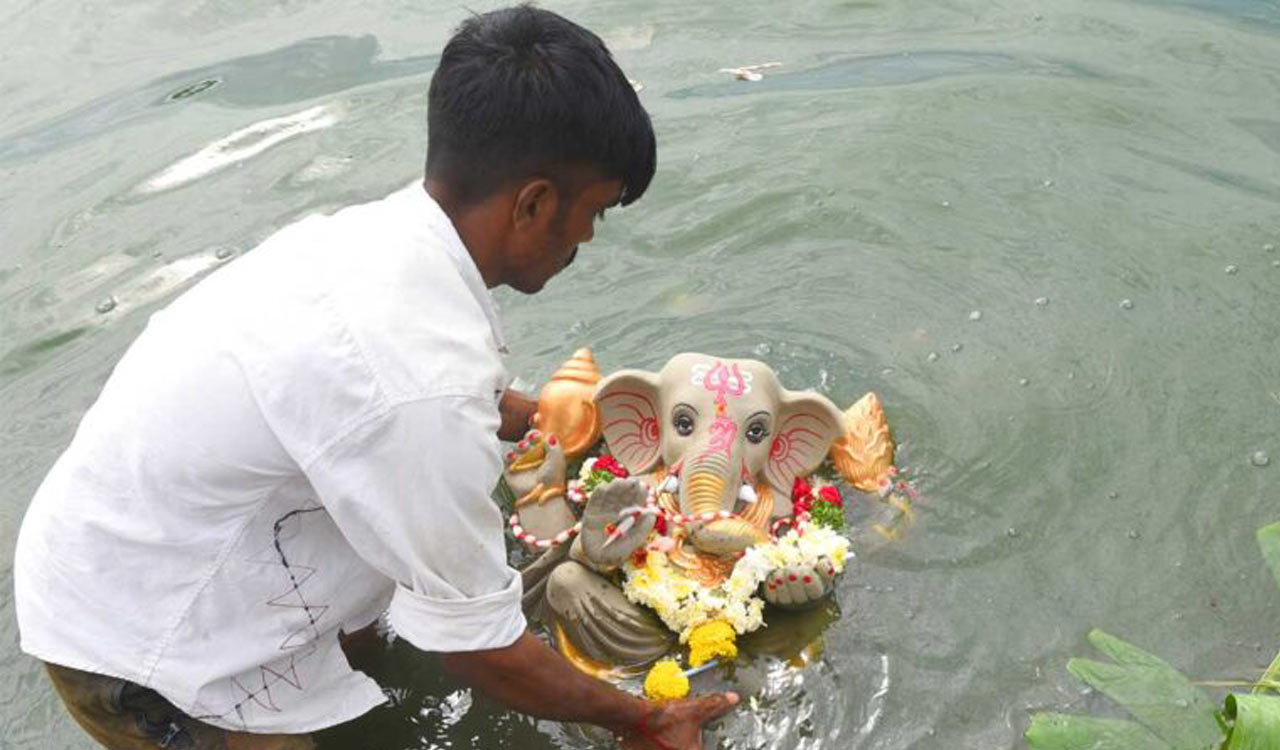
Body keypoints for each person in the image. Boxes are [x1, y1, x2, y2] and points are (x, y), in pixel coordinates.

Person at [13, 6, 737, 749]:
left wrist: (535, 418)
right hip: (138, 645)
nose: (587, 236)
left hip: (141, 536)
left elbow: (374, 396)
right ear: (533, 204)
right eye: (593, 213)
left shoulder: (375, 245)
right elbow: (483, 650)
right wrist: (644, 718)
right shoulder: (418, 384)